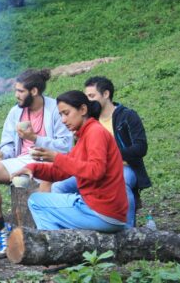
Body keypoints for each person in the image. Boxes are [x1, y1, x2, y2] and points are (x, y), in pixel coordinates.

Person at [0, 69, 73, 255]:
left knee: (45, 186)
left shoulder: (55, 109)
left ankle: (45, 238)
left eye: (20, 91)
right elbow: (8, 143)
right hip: (22, 160)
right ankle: (1, 231)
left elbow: (65, 146)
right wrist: (3, 154)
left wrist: (35, 138)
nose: (16, 95)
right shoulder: (15, 112)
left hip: (49, 158)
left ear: (34, 91)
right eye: (16, 90)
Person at [13, 90, 128, 233]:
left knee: (36, 201)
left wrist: (56, 157)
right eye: (61, 115)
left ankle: (52, 244)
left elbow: (96, 171)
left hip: (102, 213)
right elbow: (62, 170)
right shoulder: (84, 136)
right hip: (104, 212)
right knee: (45, 203)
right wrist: (32, 168)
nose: (63, 120)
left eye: (66, 113)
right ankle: (59, 243)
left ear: (83, 110)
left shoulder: (95, 132)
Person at [51, 77, 150, 228]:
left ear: (106, 94)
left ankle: (127, 229)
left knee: (122, 182)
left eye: (91, 96)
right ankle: (75, 228)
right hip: (94, 168)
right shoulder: (87, 120)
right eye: (86, 97)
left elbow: (141, 147)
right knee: (59, 187)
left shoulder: (127, 116)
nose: (88, 101)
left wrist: (111, 155)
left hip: (125, 167)